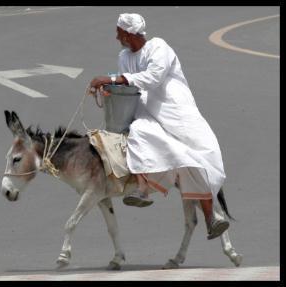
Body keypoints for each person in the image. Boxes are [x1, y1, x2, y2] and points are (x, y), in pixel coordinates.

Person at [89, 13, 229, 239]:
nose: (116, 37)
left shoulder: (158, 47)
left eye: (118, 33)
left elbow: (152, 78)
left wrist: (112, 79)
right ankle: (143, 190)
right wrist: (109, 90)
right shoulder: (124, 56)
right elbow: (128, 83)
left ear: (127, 33)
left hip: (175, 111)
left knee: (197, 157)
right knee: (137, 134)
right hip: (146, 110)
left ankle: (211, 218)